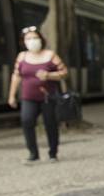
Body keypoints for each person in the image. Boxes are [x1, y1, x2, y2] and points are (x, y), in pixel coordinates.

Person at [7, 27, 68, 163]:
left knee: (50, 124)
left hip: (47, 97)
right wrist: (12, 95)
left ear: (41, 39)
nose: (32, 41)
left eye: (35, 38)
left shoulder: (50, 55)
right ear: (23, 42)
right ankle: (33, 154)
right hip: (28, 97)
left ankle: (53, 153)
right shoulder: (22, 57)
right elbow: (16, 76)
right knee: (27, 121)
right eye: (28, 39)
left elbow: (64, 72)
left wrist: (49, 75)